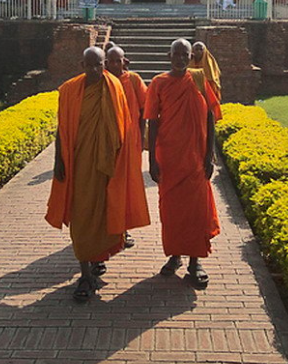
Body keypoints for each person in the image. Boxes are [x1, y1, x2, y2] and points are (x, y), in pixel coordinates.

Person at [46, 47, 135, 301]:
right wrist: (58, 160)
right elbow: (62, 129)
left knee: (106, 215)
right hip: (79, 167)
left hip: (107, 166)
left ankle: (97, 261)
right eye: (91, 65)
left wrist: (122, 162)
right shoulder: (69, 91)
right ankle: (84, 273)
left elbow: (124, 127)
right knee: (82, 216)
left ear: (105, 64)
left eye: (99, 65)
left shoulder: (115, 87)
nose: (95, 70)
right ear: (81, 64)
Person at [145, 39, 222, 289]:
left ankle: (194, 262)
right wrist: (151, 160)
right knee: (172, 211)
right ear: (169, 56)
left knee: (196, 211)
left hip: (195, 159)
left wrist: (209, 155)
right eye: (176, 54)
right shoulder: (158, 83)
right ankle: (175, 256)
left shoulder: (199, 79)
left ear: (190, 58)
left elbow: (210, 117)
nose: (180, 59)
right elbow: (153, 122)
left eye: (184, 55)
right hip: (169, 158)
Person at [105, 44, 150, 248]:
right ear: (105, 63)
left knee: (127, 187)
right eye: (111, 61)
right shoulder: (102, 80)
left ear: (125, 61)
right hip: (106, 143)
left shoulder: (133, 80)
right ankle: (108, 228)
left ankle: (124, 229)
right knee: (108, 186)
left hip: (130, 142)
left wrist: (140, 136)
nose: (115, 64)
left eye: (118, 60)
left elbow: (144, 109)